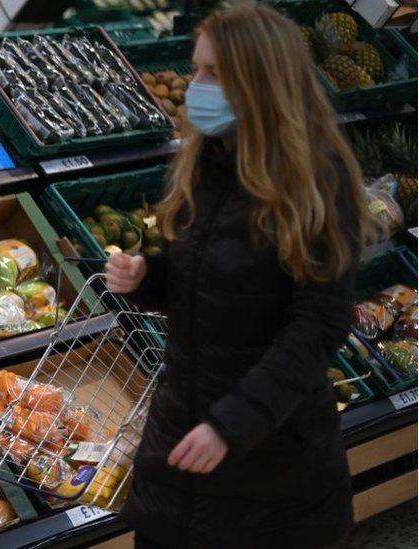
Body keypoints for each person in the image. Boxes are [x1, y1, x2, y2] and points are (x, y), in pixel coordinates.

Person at [107, 5, 374, 548]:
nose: (197, 84)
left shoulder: (317, 183)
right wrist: (149, 276)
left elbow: (318, 326)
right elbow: (210, 281)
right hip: (182, 430)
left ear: (262, 81)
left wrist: (232, 424)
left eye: (215, 74)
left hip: (271, 463)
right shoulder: (207, 164)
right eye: (197, 69)